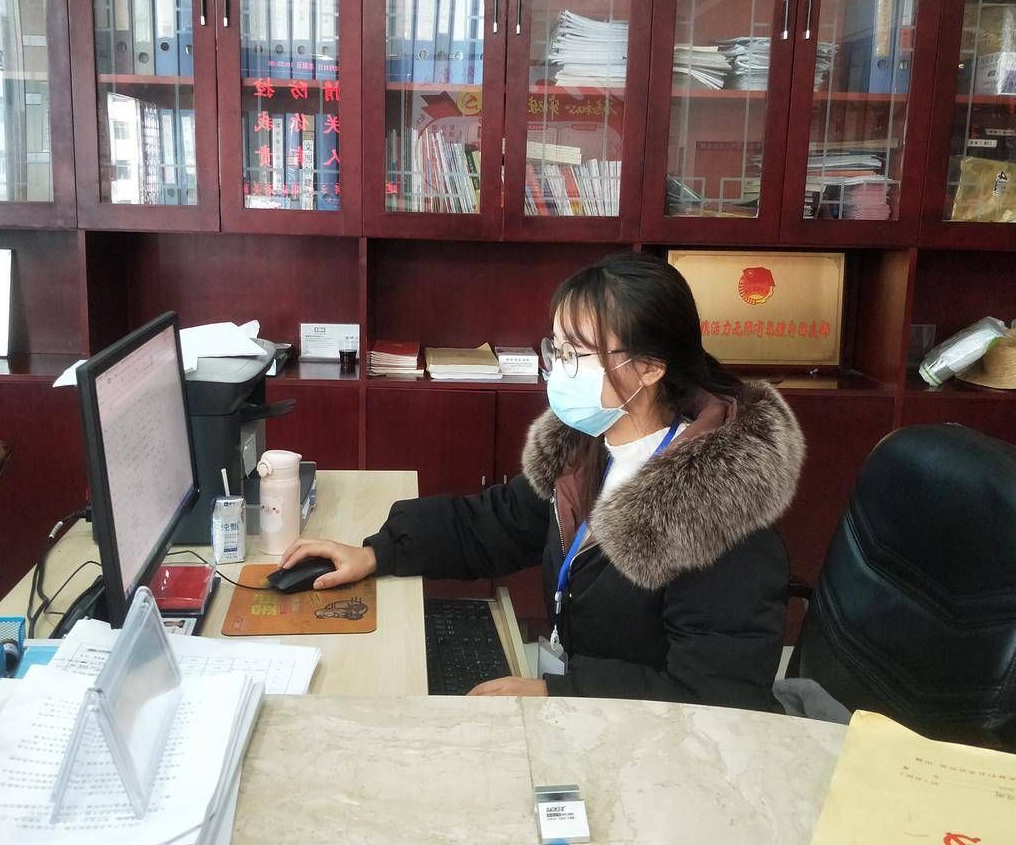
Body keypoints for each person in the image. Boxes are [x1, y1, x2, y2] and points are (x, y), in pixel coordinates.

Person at [282, 252, 806, 709]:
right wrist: (379, 552)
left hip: (648, 752)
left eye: (577, 354)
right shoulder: (588, 449)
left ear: (649, 368)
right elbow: (499, 522)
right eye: (556, 350)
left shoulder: (718, 515)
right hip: (589, 715)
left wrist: (559, 694)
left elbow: (714, 700)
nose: (558, 370)